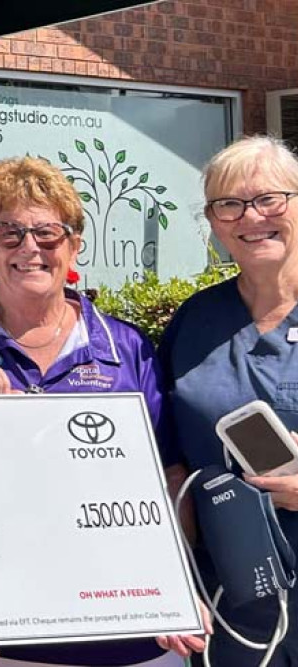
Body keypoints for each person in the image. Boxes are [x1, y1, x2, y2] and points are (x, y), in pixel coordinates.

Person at [0, 156, 204, 667]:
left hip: (128, 635)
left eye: (48, 233)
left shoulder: (127, 346)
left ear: (74, 244)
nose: (30, 248)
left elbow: (167, 477)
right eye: (9, 233)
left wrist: (176, 588)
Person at [160, 135, 298, 665]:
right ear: (215, 223)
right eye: (228, 204)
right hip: (227, 607)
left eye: (270, 198)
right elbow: (167, 456)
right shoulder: (195, 322)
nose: (250, 216)